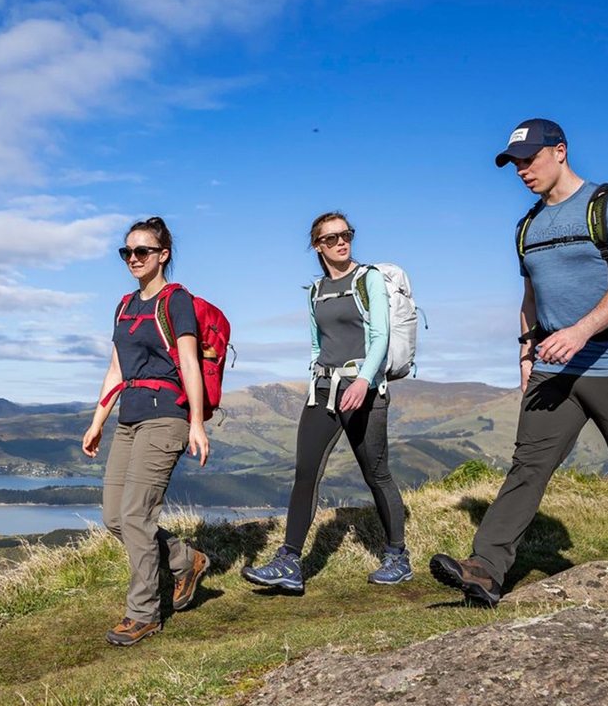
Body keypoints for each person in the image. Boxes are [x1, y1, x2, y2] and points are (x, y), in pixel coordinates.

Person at [430, 119, 608, 612]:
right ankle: (485, 569)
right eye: (514, 163)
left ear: (560, 151)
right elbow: (531, 295)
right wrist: (525, 351)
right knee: (527, 467)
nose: (521, 170)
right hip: (554, 369)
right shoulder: (528, 225)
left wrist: (578, 332)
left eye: (529, 159)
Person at [241, 212, 411, 592]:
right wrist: (315, 381)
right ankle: (289, 562)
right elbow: (317, 344)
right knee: (306, 474)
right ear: (317, 246)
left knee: (376, 474)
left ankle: (397, 556)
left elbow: (380, 335)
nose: (341, 242)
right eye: (331, 238)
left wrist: (364, 380)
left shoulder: (367, 279)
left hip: (364, 390)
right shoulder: (316, 290)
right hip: (324, 390)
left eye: (346, 234)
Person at [82, 216, 211, 646]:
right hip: (129, 419)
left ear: (163, 255)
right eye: (127, 252)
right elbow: (116, 368)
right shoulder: (123, 306)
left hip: (166, 417)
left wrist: (196, 422)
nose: (133, 259)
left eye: (142, 251)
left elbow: (189, 362)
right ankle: (185, 559)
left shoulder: (176, 301)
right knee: (114, 517)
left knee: (137, 515)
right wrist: (98, 421)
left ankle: (144, 613)